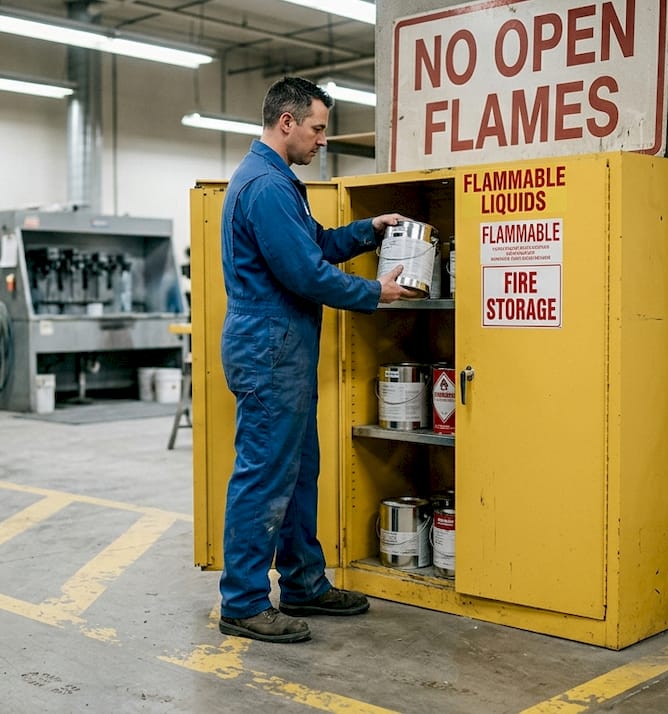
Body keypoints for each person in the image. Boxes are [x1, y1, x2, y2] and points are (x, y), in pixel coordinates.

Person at [218, 76, 417, 644]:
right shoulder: (266, 187)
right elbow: (305, 273)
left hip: (283, 350)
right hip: (270, 350)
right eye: (318, 128)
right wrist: (375, 292)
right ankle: (243, 602)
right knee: (264, 476)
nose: (323, 140)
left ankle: (304, 582)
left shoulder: (277, 181)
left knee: (299, 473)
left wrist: (367, 231)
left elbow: (316, 246)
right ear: (287, 123)